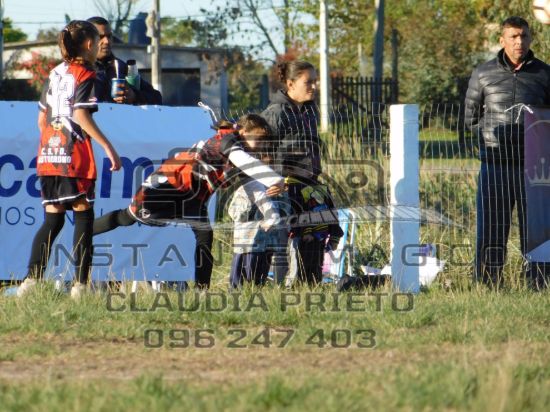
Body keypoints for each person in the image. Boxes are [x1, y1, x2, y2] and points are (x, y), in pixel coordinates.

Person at [93, 114, 284, 289]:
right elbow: (246, 162)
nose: (261, 145)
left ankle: (202, 291)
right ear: (243, 131)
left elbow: (253, 186)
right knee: (126, 218)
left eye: (265, 142)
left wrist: (271, 215)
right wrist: (275, 179)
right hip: (167, 189)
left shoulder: (240, 152)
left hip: (193, 199)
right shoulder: (228, 141)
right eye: (259, 139)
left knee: (205, 239)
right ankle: (85, 232)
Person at [17, 20, 122, 299]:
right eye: (97, 41)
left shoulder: (54, 73)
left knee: (53, 221)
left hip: (49, 156)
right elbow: (80, 114)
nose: (100, 45)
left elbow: (42, 120)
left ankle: (30, 282)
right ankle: (80, 287)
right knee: (83, 218)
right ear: (88, 45)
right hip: (74, 158)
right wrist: (108, 147)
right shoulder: (85, 74)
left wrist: (52, 144)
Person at [465, 16, 550, 289]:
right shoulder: (483, 74)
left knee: (537, 230)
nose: (519, 41)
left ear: (530, 39)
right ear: (502, 40)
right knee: (491, 228)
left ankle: (539, 284)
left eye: (523, 36)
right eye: (513, 36)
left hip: (534, 169)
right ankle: (488, 284)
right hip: (494, 165)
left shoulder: (545, 74)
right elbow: (470, 119)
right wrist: (492, 137)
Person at [262, 60, 341, 286]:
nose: (314, 86)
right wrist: (273, 183)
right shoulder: (275, 114)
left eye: (315, 81)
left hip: (310, 188)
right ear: (290, 84)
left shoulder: (309, 110)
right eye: (308, 82)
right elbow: (263, 155)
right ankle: (287, 292)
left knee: (315, 241)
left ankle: (312, 287)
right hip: (286, 191)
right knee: (290, 246)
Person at [227, 139, 291, 290]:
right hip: (249, 240)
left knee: (257, 275)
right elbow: (234, 211)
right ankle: (240, 292)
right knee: (245, 273)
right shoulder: (251, 184)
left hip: (266, 240)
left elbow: (284, 209)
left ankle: (253, 291)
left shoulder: (277, 186)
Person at [86, 16, 162, 105]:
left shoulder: (122, 67)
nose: (107, 41)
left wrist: (134, 96)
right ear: (87, 40)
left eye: (109, 36)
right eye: (100, 37)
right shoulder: (77, 69)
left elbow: (156, 98)